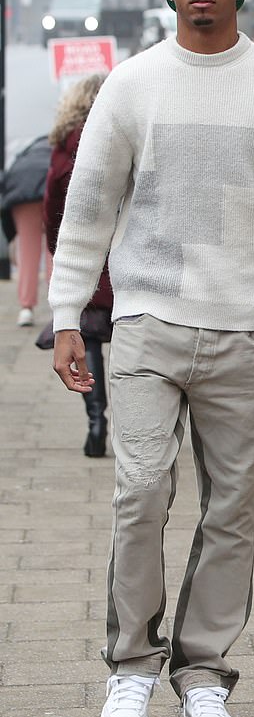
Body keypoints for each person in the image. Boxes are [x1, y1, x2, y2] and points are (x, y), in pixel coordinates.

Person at [48, 0, 254, 717]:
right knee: (141, 492)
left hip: (248, 328)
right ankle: (132, 667)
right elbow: (89, 206)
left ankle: (203, 671)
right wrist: (68, 314)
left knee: (232, 510)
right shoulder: (134, 85)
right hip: (146, 322)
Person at [44, 73, 112, 458]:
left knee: (89, 343)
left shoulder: (63, 146)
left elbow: (53, 208)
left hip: (87, 263)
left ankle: (96, 419)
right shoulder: (119, 136)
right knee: (135, 339)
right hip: (124, 258)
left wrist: (60, 253)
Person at [0, 136, 53, 326]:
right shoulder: (55, 149)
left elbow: (7, 187)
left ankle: (26, 309)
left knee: (27, 253)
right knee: (52, 250)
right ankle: (57, 306)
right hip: (48, 192)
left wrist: (11, 236)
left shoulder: (24, 156)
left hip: (21, 199)